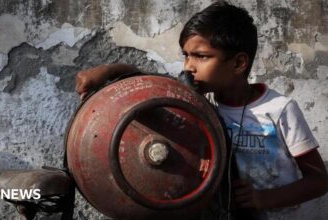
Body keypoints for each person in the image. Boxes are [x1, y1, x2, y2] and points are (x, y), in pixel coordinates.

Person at [75, 1, 328, 219]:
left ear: (239, 63)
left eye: (201, 56)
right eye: (186, 55)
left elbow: (318, 181)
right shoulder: (194, 104)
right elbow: (152, 84)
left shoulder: (279, 110)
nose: (189, 67)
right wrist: (110, 71)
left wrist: (263, 198)